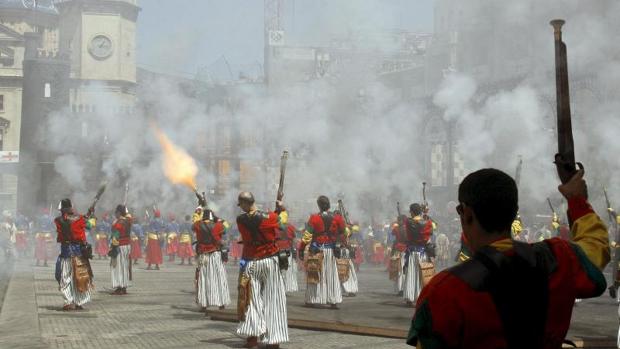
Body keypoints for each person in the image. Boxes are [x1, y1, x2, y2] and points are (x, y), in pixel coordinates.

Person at [407, 169, 610, 349]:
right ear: (513, 212)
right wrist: (577, 200)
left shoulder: (443, 290)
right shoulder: (560, 257)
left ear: (467, 214)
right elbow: (596, 245)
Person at [236, 192, 288, 349]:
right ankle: (273, 341)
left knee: (252, 301)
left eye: (241, 204)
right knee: (273, 300)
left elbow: (256, 221)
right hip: (270, 261)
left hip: (251, 262)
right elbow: (283, 225)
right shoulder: (270, 217)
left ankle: (252, 339)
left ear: (245, 203)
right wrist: (281, 209)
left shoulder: (240, 220)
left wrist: (275, 212)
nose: (241, 208)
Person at [299, 196, 347, 309]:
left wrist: (301, 248)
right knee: (331, 275)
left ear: (319, 205)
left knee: (314, 274)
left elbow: (307, 236)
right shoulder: (337, 218)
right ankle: (333, 300)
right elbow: (345, 233)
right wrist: (340, 242)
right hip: (330, 250)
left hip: (317, 250)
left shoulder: (314, 218)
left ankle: (312, 299)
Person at [54, 199, 94, 311]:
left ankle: (68, 302)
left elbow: (68, 224)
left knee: (65, 278)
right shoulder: (80, 218)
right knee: (81, 278)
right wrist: (91, 216)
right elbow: (90, 225)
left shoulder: (58, 220)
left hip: (66, 253)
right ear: (71, 208)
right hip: (78, 253)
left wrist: (87, 216)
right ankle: (79, 302)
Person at [194, 208, 230, 311]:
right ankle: (221, 304)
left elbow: (194, 224)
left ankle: (204, 305)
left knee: (203, 280)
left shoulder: (198, 224)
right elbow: (226, 228)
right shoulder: (218, 225)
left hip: (203, 256)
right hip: (215, 255)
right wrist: (218, 219)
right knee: (219, 279)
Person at [402, 203, 434, 306]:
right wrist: (426, 215)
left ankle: (410, 298)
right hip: (423, 252)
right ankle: (422, 297)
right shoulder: (428, 222)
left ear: (411, 211)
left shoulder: (408, 222)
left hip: (412, 252)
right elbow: (430, 233)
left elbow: (407, 235)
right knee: (422, 276)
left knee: (411, 274)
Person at [109, 204, 132, 295]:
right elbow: (129, 216)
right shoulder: (128, 220)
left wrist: (113, 247)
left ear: (118, 212)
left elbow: (116, 235)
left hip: (119, 245)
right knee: (124, 267)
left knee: (118, 267)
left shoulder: (119, 222)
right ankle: (123, 286)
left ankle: (120, 287)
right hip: (126, 246)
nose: (115, 214)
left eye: (116, 212)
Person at [277, 222, 299, 293]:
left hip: (276, 251)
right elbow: (294, 240)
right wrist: (295, 250)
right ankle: (285, 287)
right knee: (287, 269)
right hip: (287, 250)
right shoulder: (290, 226)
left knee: (279, 269)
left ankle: (280, 287)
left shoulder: (273, 226)